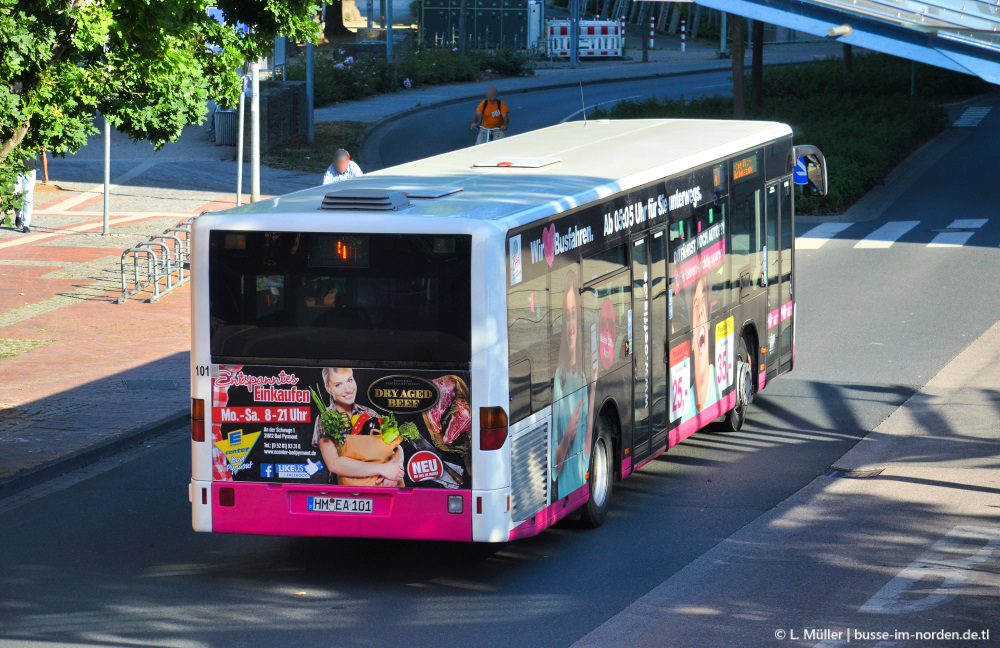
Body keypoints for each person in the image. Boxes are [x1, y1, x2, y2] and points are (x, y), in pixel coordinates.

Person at [312, 367, 405, 486]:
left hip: (376, 486)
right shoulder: (324, 420)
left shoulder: (369, 413)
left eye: (350, 380)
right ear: (328, 389)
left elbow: (396, 447)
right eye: (338, 385)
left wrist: (395, 472)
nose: (348, 390)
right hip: (342, 490)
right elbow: (334, 464)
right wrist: (383, 469)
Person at [551, 269, 599, 500]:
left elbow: (588, 451)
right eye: (566, 315)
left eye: (574, 314)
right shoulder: (559, 378)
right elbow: (553, 467)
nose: (571, 325)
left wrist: (594, 386)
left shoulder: (582, 375)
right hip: (565, 493)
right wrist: (568, 436)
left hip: (582, 482)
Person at [687, 276, 721, 418]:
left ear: (708, 323)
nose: (700, 310)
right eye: (695, 303)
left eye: (703, 299)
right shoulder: (682, 411)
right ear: (693, 339)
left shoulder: (721, 385)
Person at [13, 152, 38, 234]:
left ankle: (26, 224)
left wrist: (45, 173)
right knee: (15, 196)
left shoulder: (35, 139)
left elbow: (42, 153)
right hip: (16, 170)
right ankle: (18, 214)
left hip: (30, 170)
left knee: (28, 198)